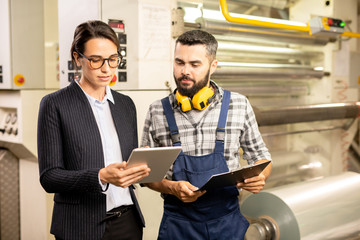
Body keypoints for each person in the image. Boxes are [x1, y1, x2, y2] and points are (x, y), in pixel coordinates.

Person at [141, 29, 272, 239]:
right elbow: (147, 175)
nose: (185, 71)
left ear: (213, 66)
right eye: (179, 62)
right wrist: (172, 187)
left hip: (227, 225)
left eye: (194, 64)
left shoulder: (238, 105)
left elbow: (261, 156)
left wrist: (260, 177)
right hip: (178, 227)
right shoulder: (157, 111)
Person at [37, 20, 150, 240]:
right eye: (96, 60)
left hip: (128, 222)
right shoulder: (55, 104)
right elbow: (49, 177)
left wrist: (141, 166)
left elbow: (127, 166)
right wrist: (99, 176)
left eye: (113, 59)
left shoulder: (126, 105)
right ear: (77, 58)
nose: (106, 68)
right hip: (80, 226)